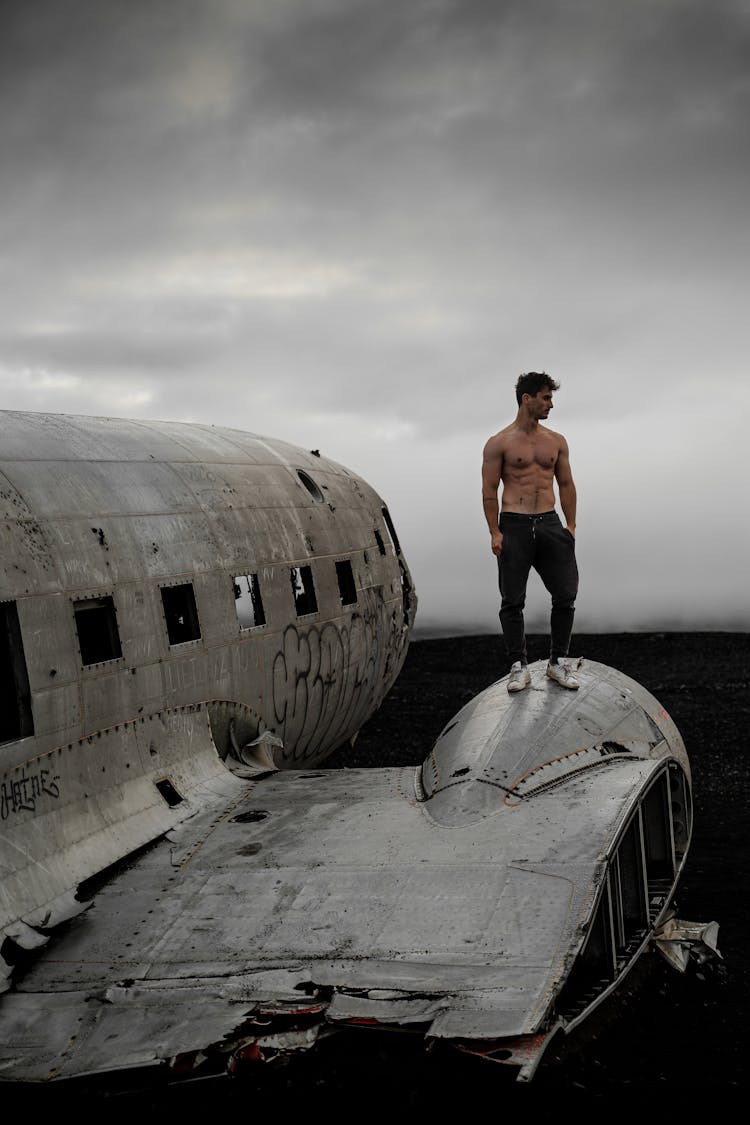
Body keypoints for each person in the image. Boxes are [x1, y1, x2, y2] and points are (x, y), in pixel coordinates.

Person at [482, 371, 579, 693]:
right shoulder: (499, 443)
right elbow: (489, 490)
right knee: (512, 599)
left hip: (550, 523)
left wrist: (571, 526)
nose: (551, 404)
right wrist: (495, 532)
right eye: (546, 398)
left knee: (565, 594)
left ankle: (557, 663)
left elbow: (565, 483)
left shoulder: (556, 441)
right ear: (527, 399)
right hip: (515, 524)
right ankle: (518, 666)